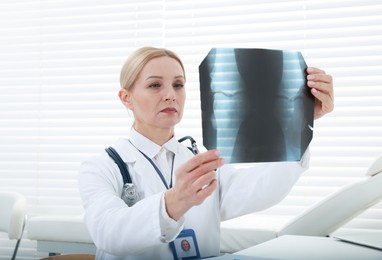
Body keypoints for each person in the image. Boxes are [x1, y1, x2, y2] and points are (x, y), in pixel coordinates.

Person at [78, 47, 334, 260]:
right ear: (126, 98)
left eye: (178, 85)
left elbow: (260, 189)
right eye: (155, 85)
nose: (170, 95)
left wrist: (302, 122)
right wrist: (175, 201)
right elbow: (108, 232)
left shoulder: (200, 161)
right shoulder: (102, 167)